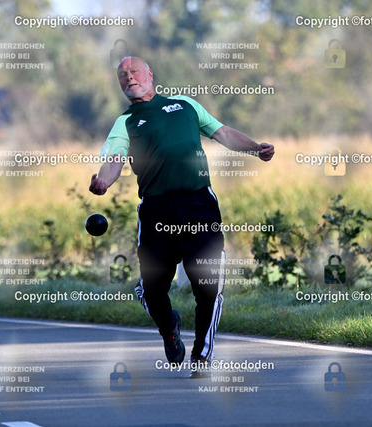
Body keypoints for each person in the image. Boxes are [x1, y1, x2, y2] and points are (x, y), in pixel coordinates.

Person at [89, 56, 274, 377]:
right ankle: (169, 329)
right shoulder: (125, 122)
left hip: (199, 204)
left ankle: (202, 356)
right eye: (122, 75)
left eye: (134, 71)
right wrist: (104, 181)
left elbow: (222, 133)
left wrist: (255, 148)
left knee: (208, 285)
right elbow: (115, 159)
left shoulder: (186, 105)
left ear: (150, 74)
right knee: (152, 291)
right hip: (156, 211)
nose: (129, 77)